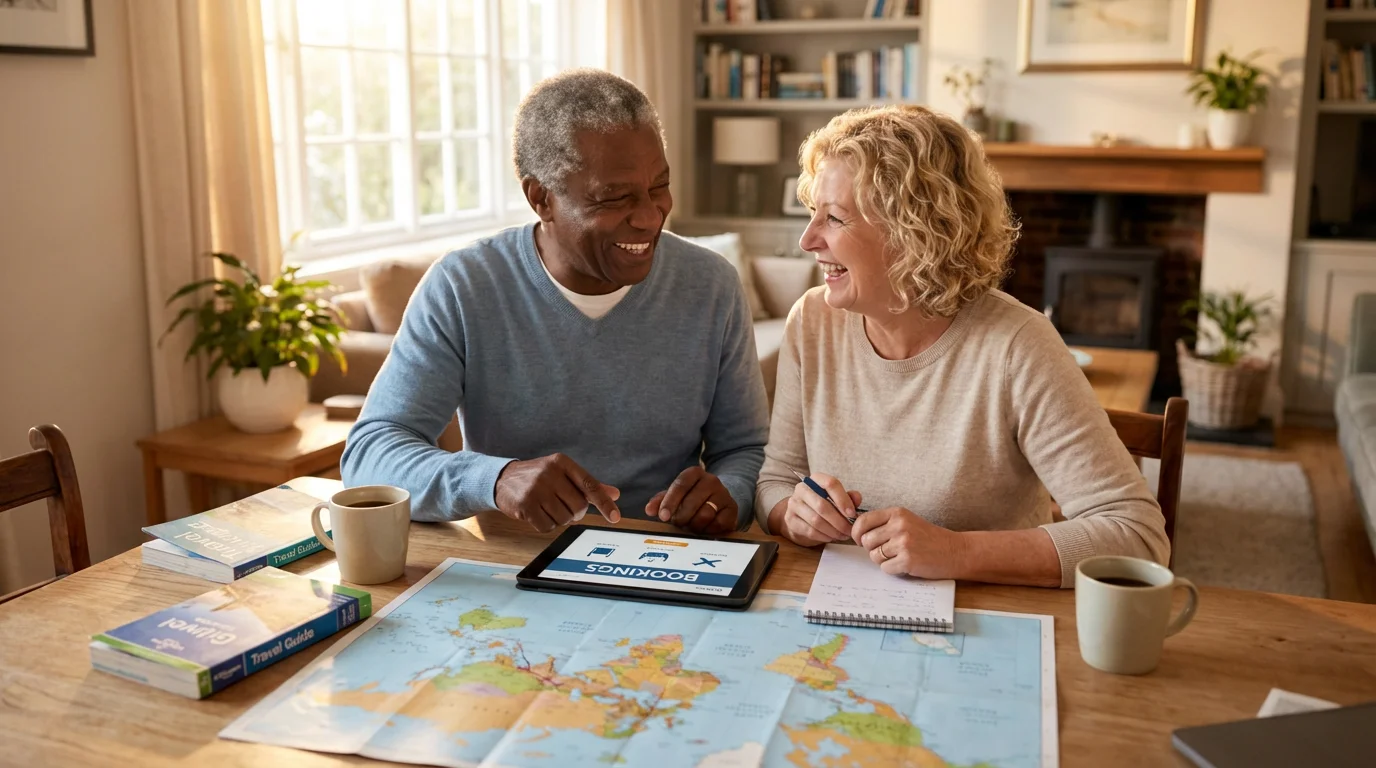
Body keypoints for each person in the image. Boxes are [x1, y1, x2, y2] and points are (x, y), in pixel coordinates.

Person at [754, 105, 1169, 588]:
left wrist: (956, 551)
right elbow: (776, 479)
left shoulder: (1017, 345)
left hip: (989, 623)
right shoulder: (812, 321)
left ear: (914, 234)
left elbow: (1137, 535)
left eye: (835, 219)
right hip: (836, 610)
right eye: (812, 214)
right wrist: (791, 513)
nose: (808, 240)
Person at [342, 69, 769, 535]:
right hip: (514, 563)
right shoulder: (463, 287)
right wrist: (495, 479)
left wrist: (732, 492)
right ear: (541, 198)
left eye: (659, 186)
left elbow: (747, 451)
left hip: (667, 555)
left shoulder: (712, 287)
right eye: (614, 197)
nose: (650, 217)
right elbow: (370, 454)